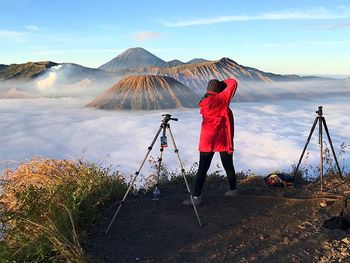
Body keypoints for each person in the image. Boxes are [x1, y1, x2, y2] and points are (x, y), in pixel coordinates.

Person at [183, 78, 238, 206]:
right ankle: (233, 190)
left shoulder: (204, 101)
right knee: (228, 165)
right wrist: (223, 85)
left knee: (202, 169)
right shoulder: (221, 99)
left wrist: (217, 88)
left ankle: (196, 198)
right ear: (218, 90)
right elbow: (233, 82)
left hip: (207, 140)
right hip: (223, 139)